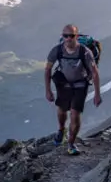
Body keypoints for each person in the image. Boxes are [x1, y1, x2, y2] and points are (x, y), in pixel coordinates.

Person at [44, 24, 102, 155]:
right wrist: (48, 91)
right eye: (66, 36)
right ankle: (61, 130)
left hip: (81, 84)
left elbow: (94, 72)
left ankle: (71, 144)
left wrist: (97, 94)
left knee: (75, 114)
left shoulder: (85, 52)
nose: (68, 38)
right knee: (62, 110)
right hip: (63, 84)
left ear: (76, 36)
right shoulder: (57, 50)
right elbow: (47, 70)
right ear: (62, 36)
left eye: (71, 36)